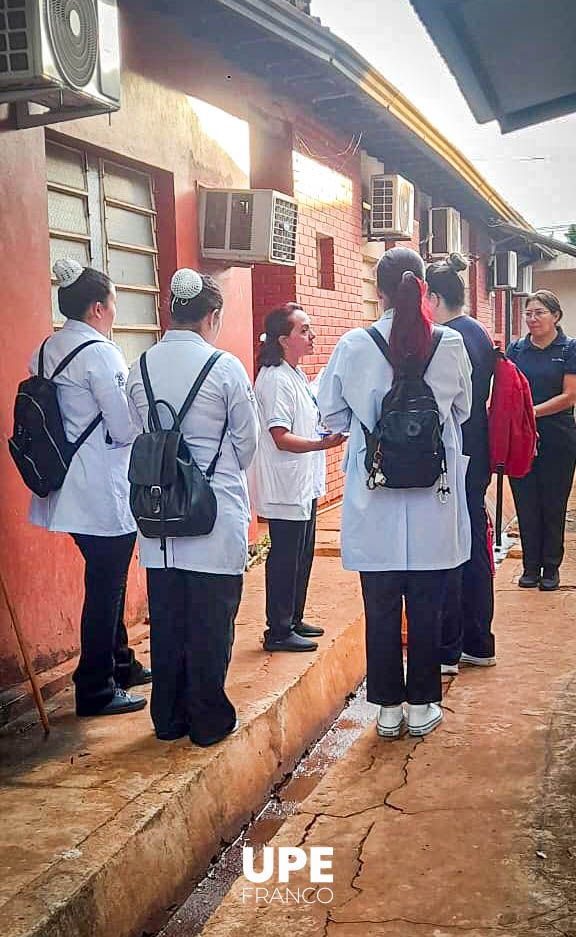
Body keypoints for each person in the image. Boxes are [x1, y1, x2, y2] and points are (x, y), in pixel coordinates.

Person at [318, 247, 472, 738]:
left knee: (380, 605)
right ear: (424, 288)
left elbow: (332, 416)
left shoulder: (353, 345)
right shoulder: (449, 344)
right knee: (428, 604)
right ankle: (424, 702)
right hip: (434, 498)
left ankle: (386, 707)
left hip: (373, 494)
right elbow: (463, 410)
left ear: (378, 290)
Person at [127, 269, 259, 745]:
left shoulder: (138, 366)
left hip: (158, 516)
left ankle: (167, 718)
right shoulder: (224, 368)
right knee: (210, 622)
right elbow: (247, 443)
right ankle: (207, 721)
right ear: (212, 316)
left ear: (170, 313)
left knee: (167, 621)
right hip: (212, 513)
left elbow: (135, 433)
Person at [29, 259, 150, 718]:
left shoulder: (46, 348)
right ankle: (96, 687)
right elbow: (121, 429)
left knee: (106, 582)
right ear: (99, 307)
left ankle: (120, 665)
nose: (115, 312)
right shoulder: (101, 353)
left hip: (64, 487)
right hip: (100, 489)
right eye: (114, 303)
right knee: (105, 590)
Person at [250, 304, 346, 653]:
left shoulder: (296, 374)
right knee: (286, 555)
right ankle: (277, 628)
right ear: (283, 339)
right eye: (303, 330)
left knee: (302, 552)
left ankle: (294, 617)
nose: (312, 336)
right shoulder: (275, 378)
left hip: (303, 482)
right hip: (286, 484)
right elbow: (280, 436)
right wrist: (323, 444)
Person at [426, 253, 496, 674]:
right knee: (473, 543)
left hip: (457, 454)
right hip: (477, 449)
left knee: (454, 548)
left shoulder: (448, 339)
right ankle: (478, 640)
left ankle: (450, 646)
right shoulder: (478, 333)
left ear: (432, 297)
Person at [507, 290, 576, 591]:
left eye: (539, 313)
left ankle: (551, 567)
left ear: (556, 316)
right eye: (528, 313)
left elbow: (570, 395)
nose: (532, 319)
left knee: (553, 503)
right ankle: (530, 566)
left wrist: (531, 412)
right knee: (526, 502)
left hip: (558, 437)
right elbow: (507, 389)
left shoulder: (569, 348)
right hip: (521, 439)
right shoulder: (517, 350)